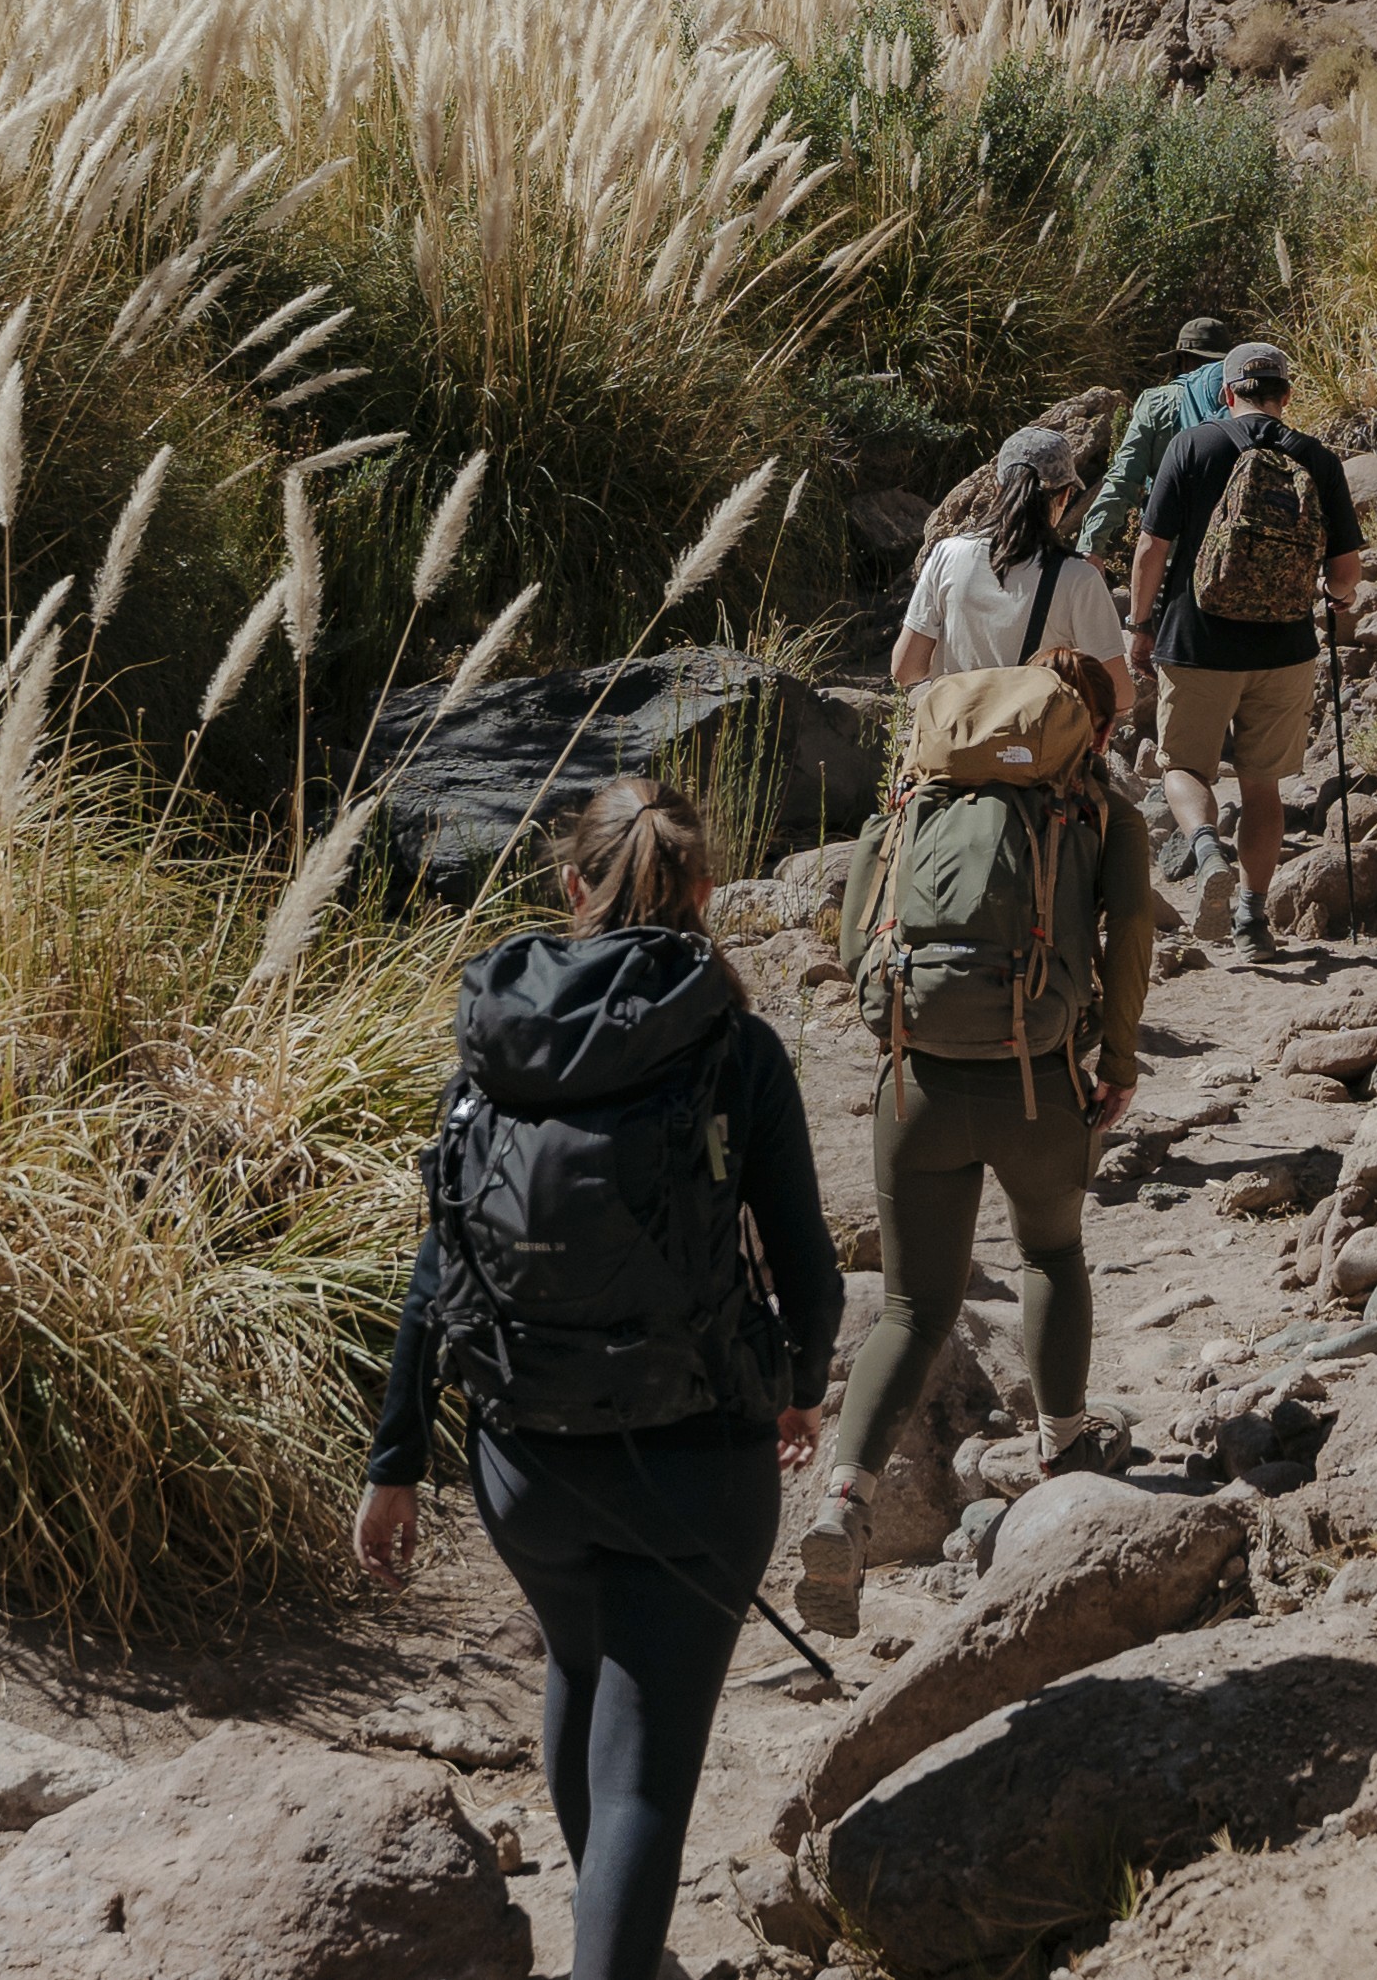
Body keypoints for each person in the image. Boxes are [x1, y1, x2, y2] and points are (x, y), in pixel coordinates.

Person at [353, 780, 838, 1980]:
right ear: (709, 893)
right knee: (646, 1782)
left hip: (524, 1460)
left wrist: (396, 1459)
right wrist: (797, 1384)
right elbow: (811, 1271)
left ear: (570, 886)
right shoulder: (735, 1045)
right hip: (693, 1462)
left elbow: (440, 1257)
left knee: (578, 1666)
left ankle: (612, 1949)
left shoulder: (498, 1043)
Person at [789, 643, 1158, 1637]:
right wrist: (1116, 1057)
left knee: (911, 1306)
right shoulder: (1103, 816)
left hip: (915, 1082)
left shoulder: (915, 804)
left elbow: (855, 940)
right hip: (1038, 1082)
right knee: (1050, 1249)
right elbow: (1131, 936)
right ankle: (1064, 1448)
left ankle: (843, 1503)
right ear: (1091, 730)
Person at [1123, 338, 1363, 955]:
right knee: (1263, 787)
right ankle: (1254, 922)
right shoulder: (1318, 459)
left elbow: (1152, 548)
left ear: (1228, 393)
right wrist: (1339, 602)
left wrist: (1140, 623)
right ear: (1286, 394)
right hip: (1284, 649)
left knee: (1183, 767)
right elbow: (1344, 574)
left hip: (1195, 639)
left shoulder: (1193, 445)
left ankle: (1207, 853)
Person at [893, 422, 1129, 685]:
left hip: (959, 725)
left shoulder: (945, 555)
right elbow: (1120, 695)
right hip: (1035, 726)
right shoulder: (1079, 577)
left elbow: (905, 670)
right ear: (1064, 496)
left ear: (997, 489)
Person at [1074, 315, 1237, 573]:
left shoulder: (1157, 402)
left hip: (1172, 551)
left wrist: (1091, 545)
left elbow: (1123, 478)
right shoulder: (1242, 400)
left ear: (1182, 359)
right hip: (1233, 547)